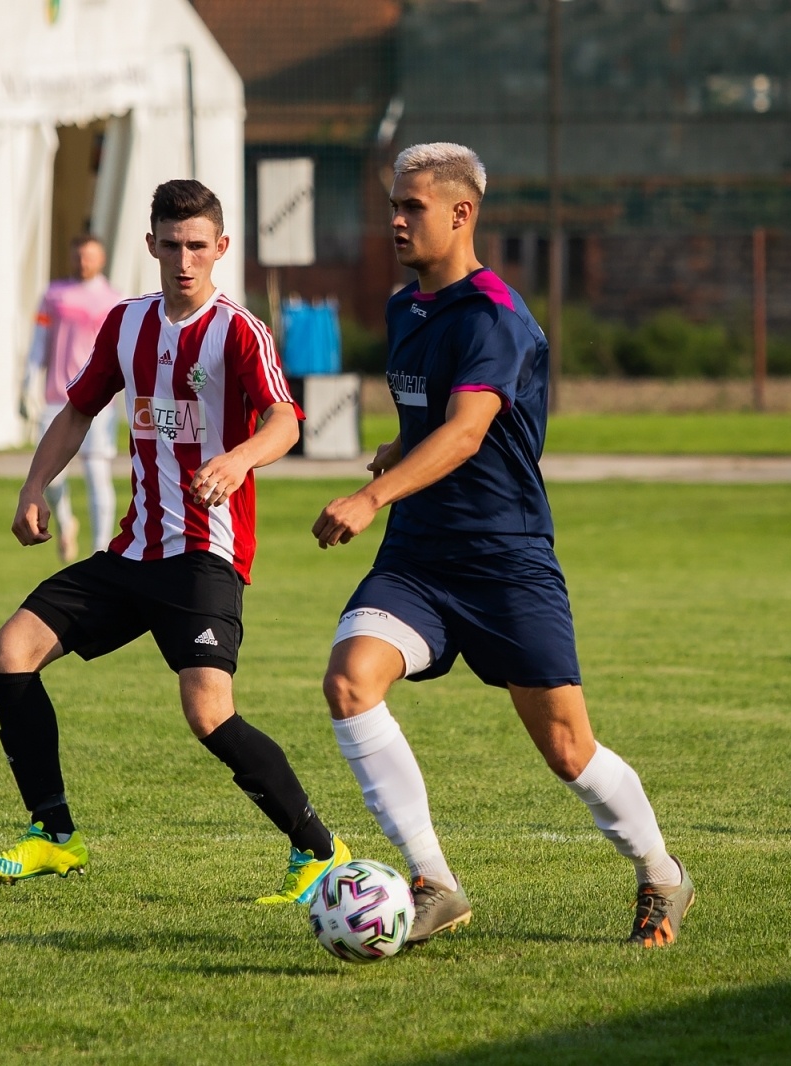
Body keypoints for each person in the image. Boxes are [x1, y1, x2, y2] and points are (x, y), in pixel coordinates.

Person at [311, 143, 694, 948]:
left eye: (412, 206)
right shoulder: (403, 309)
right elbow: (432, 424)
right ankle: (434, 882)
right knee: (350, 680)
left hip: (504, 559)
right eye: (394, 204)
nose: (395, 219)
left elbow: (468, 428)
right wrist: (393, 450)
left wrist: (371, 493)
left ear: (462, 213)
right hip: (418, 559)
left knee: (567, 748)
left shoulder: (495, 316)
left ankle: (662, 874)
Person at [0, 179, 349, 904]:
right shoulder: (126, 324)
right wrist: (33, 487)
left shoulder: (239, 331)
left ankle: (319, 850)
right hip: (132, 554)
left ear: (221, 249)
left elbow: (285, 422)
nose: (184, 260)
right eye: (170, 246)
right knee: (8, 654)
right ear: (150, 245)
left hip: (206, 555)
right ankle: (53, 837)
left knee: (208, 713)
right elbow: (78, 410)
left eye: (197, 246)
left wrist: (237, 461)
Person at [23, 234, 123, 562]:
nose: (84, 263)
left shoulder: (115, 301)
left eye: (90, 257)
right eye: (79, 257)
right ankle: (65, 523)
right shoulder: (54, 296)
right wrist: (27, 383)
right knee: (49, 475)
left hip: (99, 402)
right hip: (57, 397)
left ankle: (100, 551)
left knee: (97, 474)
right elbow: (39, 342)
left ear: (101, 260)